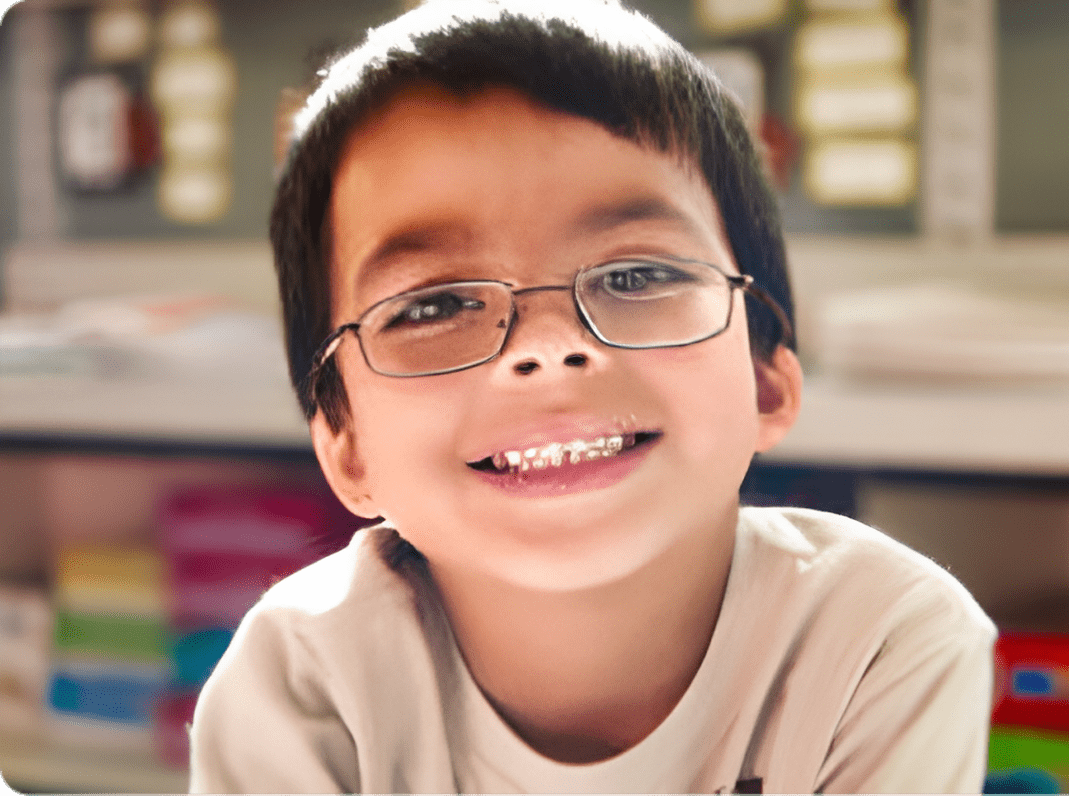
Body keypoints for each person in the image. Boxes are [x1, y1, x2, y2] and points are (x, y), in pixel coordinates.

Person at [188, 0, 997, 792]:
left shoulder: (879, 642)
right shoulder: (300, 682)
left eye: (638, 275)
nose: (547, 347)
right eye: (432, 306)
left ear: (764, 378)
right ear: (347, 443)